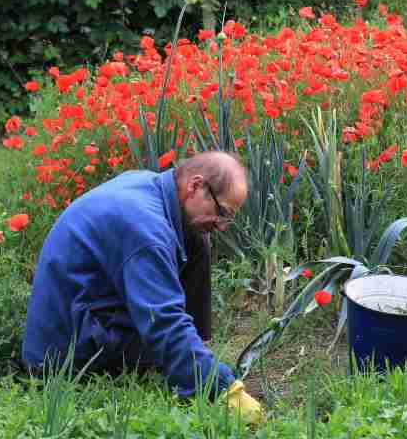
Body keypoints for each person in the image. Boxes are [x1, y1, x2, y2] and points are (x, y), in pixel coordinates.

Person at [22, 151, 263, 424]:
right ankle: (193, 371)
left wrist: (195, 351)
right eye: (221, 212)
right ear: (196, 186)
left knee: (199, 237)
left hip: (92, 314)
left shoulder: (154, 188)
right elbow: (161, 320)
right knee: (172, 338)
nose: (221, 225)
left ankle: (191, 359)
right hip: (64, 356)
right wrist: (222, 388)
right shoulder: (146, 231)